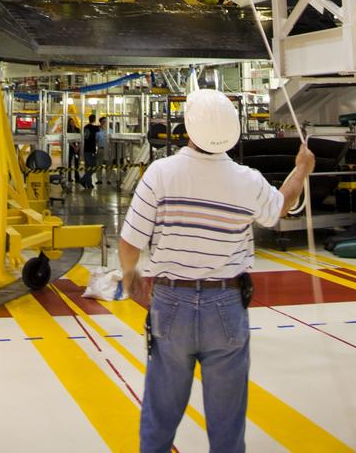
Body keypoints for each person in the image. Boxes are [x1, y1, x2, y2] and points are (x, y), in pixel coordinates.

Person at [118, 89, 315, 453]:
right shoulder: (248, 180)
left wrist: (130, 278)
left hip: (170, 303)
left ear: (189, 129)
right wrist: (301, 170)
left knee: (160, 412)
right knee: (227, 423)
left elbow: (130, 242)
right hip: (226, 303)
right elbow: (278, 209)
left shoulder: (160, 174)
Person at [80, 111, 98, 189]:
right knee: (93, 167)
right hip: (91, 149)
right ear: (94, 119)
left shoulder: (85, 127)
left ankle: (88, 183)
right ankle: (83, 180)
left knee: (88, 167)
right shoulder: (95, 128)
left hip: (85, 149)